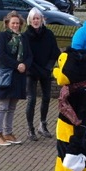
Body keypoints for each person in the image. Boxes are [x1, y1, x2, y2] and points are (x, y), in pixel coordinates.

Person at [0, 11, 32, 146]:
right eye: (13, 23)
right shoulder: (2, 37)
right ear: (8, 24)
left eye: (17, 23)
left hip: (19, 76)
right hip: (5, 75)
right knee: (3, 105)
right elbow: (1, 55)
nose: (15, 25)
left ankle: (8, 133)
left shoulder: (23, 38)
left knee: (12, 106)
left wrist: (25, 65)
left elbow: (29, 55)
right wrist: (17, 65)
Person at [22, 8, 61, 141]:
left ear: (41, 19)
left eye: (38, 18)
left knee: (46, 98)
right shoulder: (25, 36)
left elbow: (54, 52)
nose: (36, 21)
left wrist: (48, 67)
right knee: (31, 99)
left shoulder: (49, 34)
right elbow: (25, 56)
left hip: (45, 70)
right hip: (31, 71)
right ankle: (30, 128)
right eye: (33, 19)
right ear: (30, 20)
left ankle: (42, 125)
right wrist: (35, 69)